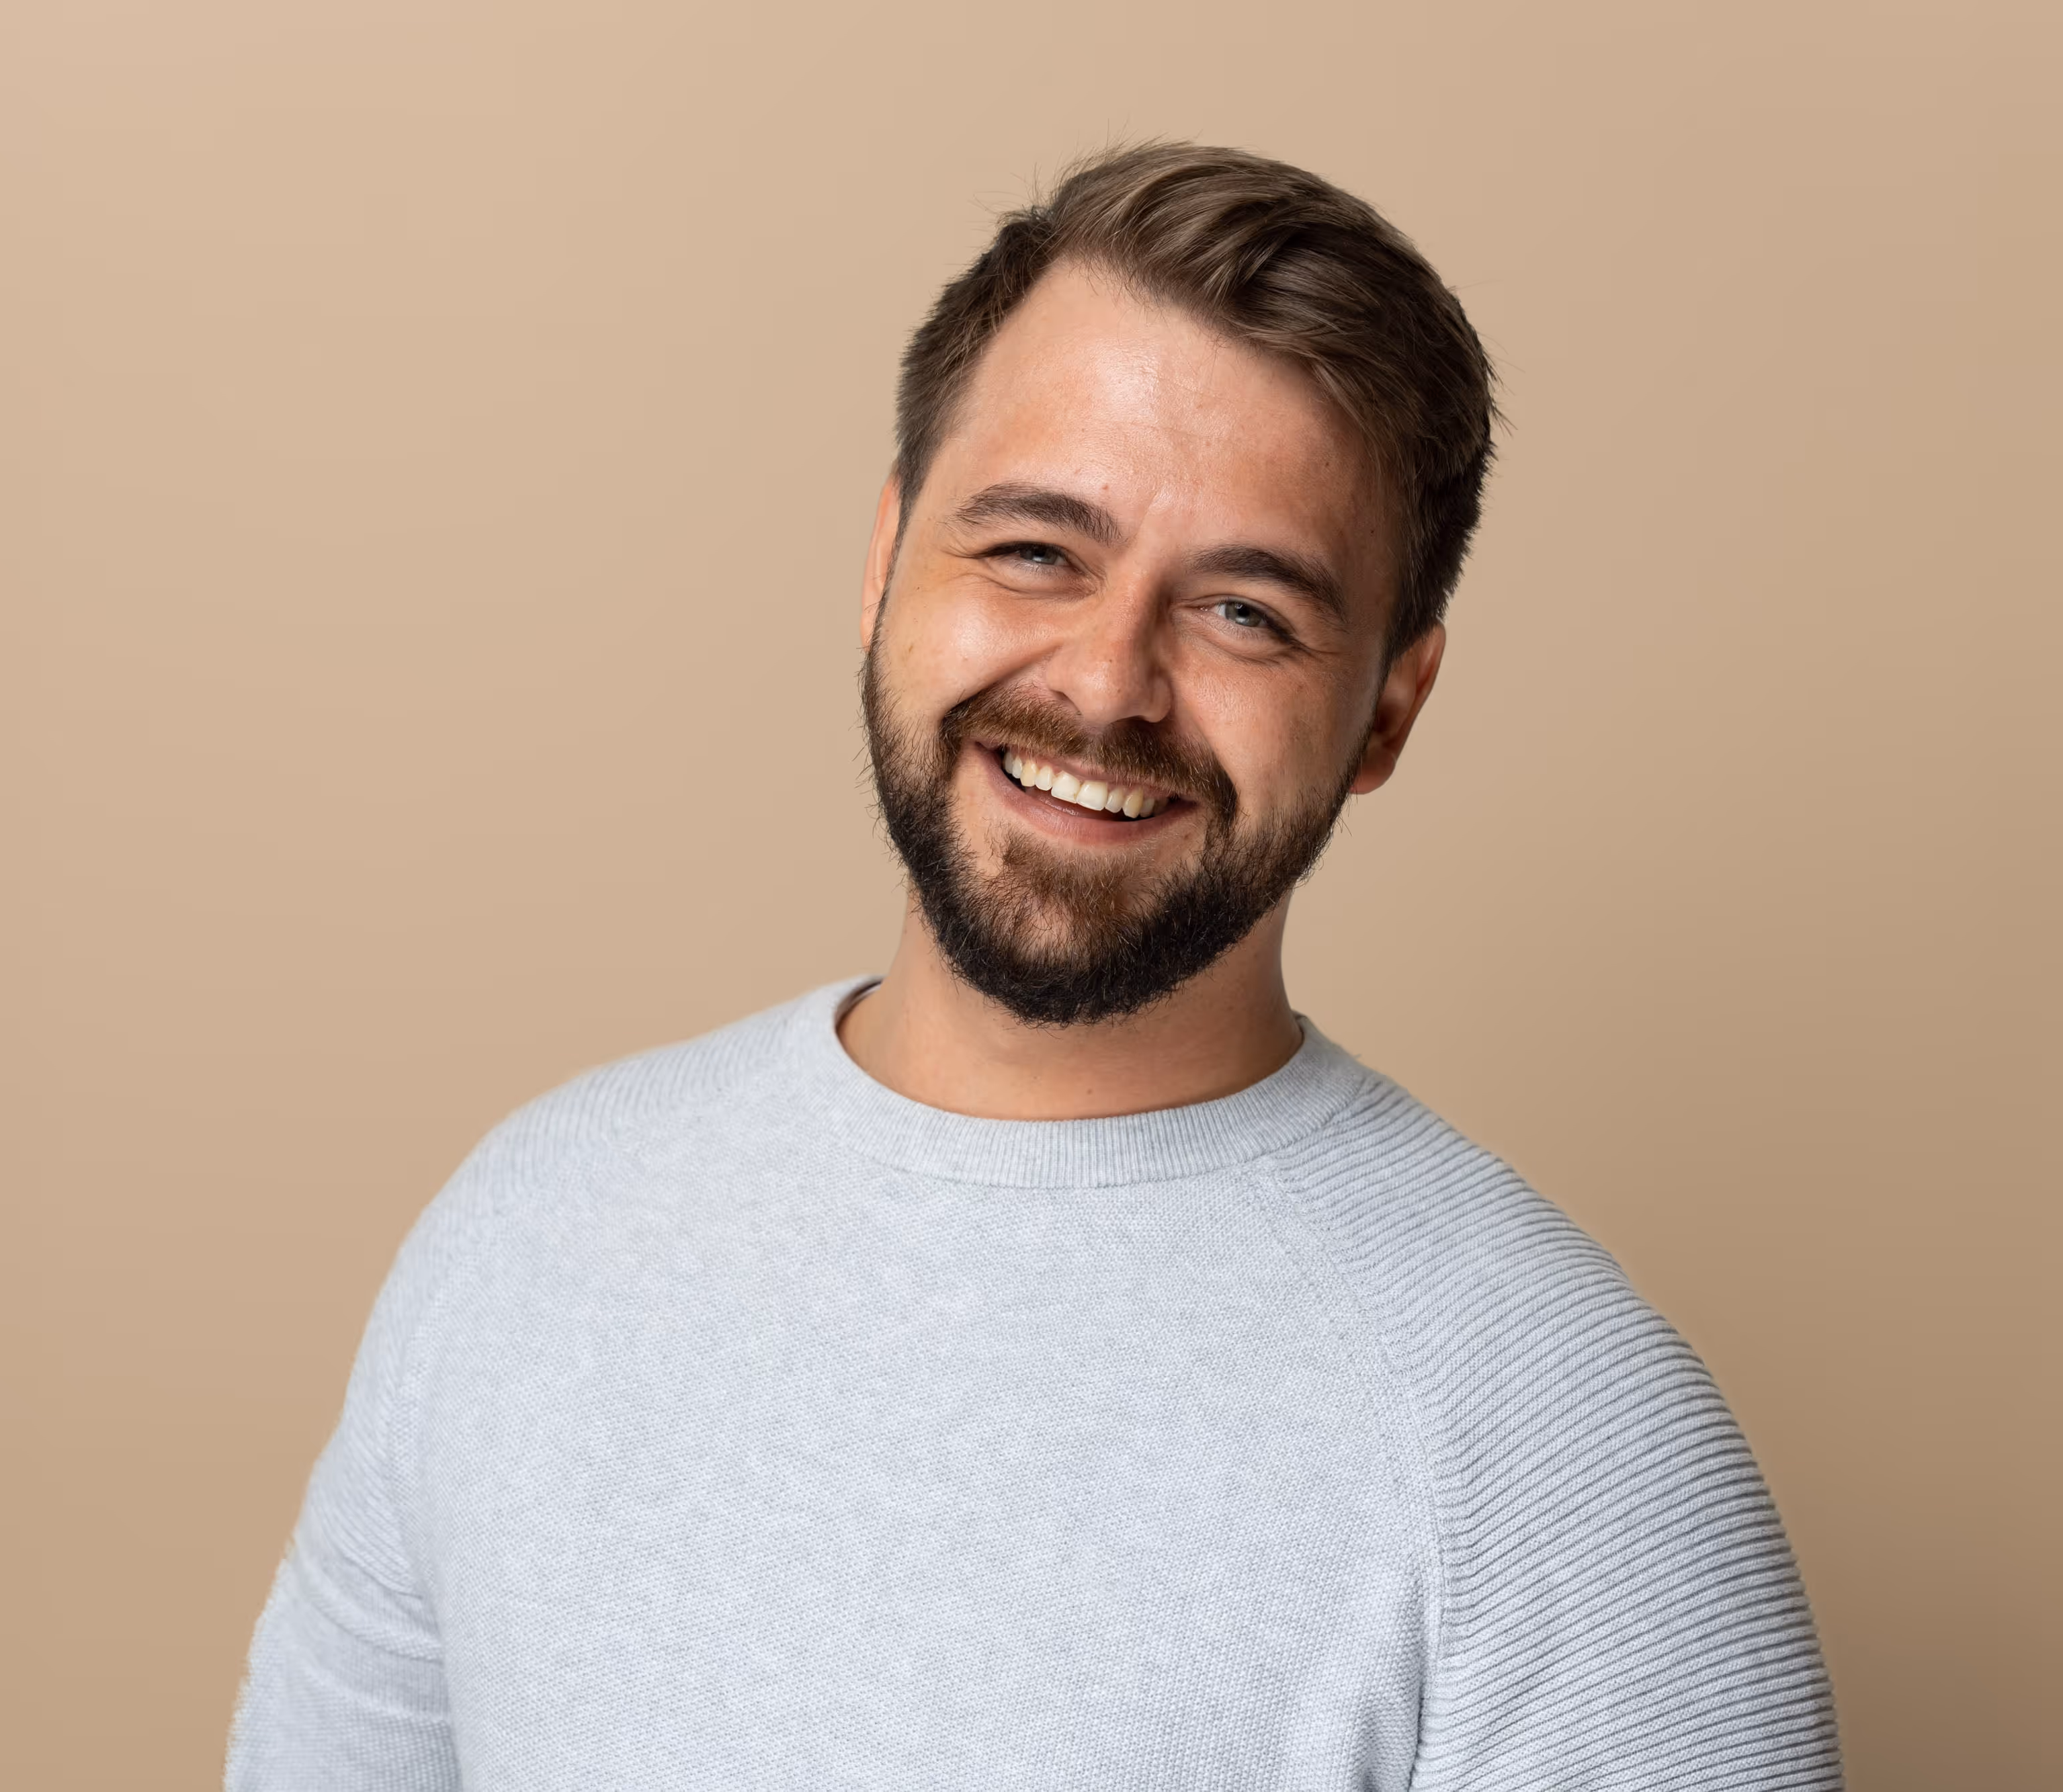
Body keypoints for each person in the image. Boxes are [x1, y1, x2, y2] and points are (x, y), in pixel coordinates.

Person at [226, 143, 1839, 1790]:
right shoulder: (526, 1233)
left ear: (1390, 708)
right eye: (1031, 553)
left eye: (1243, 614)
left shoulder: (1568, 1452)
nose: (1104, 684)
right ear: (881, 561)